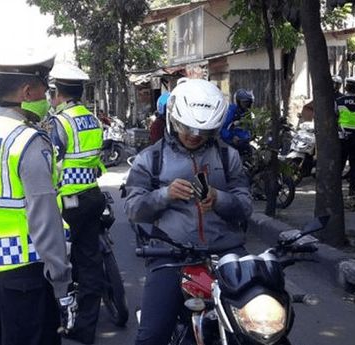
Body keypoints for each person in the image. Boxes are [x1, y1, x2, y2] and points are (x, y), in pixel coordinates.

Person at [125, 79, 252, 345]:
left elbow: (245, 207)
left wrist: (219, 199)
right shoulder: (150, 159)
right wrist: (165, 195)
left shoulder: (230, 158)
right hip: (171, 254)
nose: (194, 135)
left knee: (261, 328)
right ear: (172, 120)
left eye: (203, 131)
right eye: (187, 128)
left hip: (226, 254)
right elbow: (134, 210)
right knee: (151, 336)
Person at [0, 54, 74, 345]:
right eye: (43, 89)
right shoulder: (28, 142)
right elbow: (45, 219)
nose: (47, 97)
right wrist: (61, 282)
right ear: (27, 93)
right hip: (26, 279)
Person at [47, 62, 106, 345]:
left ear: (57, 92)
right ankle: (86, 329)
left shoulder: (60, 122)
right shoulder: (93, 120)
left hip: (66, 203)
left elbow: (53, 164)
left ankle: (59, 319)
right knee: (91, 261)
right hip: (93, 197)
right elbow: (95, 162)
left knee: (59, 262)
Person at [219, 88, 254, 156]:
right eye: (245, 102)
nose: (247, 105)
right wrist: (232, 137)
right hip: (231, 145)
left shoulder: (249, 114)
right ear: (238, 102)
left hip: (245, 143)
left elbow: (251, 129)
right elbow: (221, 129)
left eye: (249, 102)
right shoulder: (231, 111)